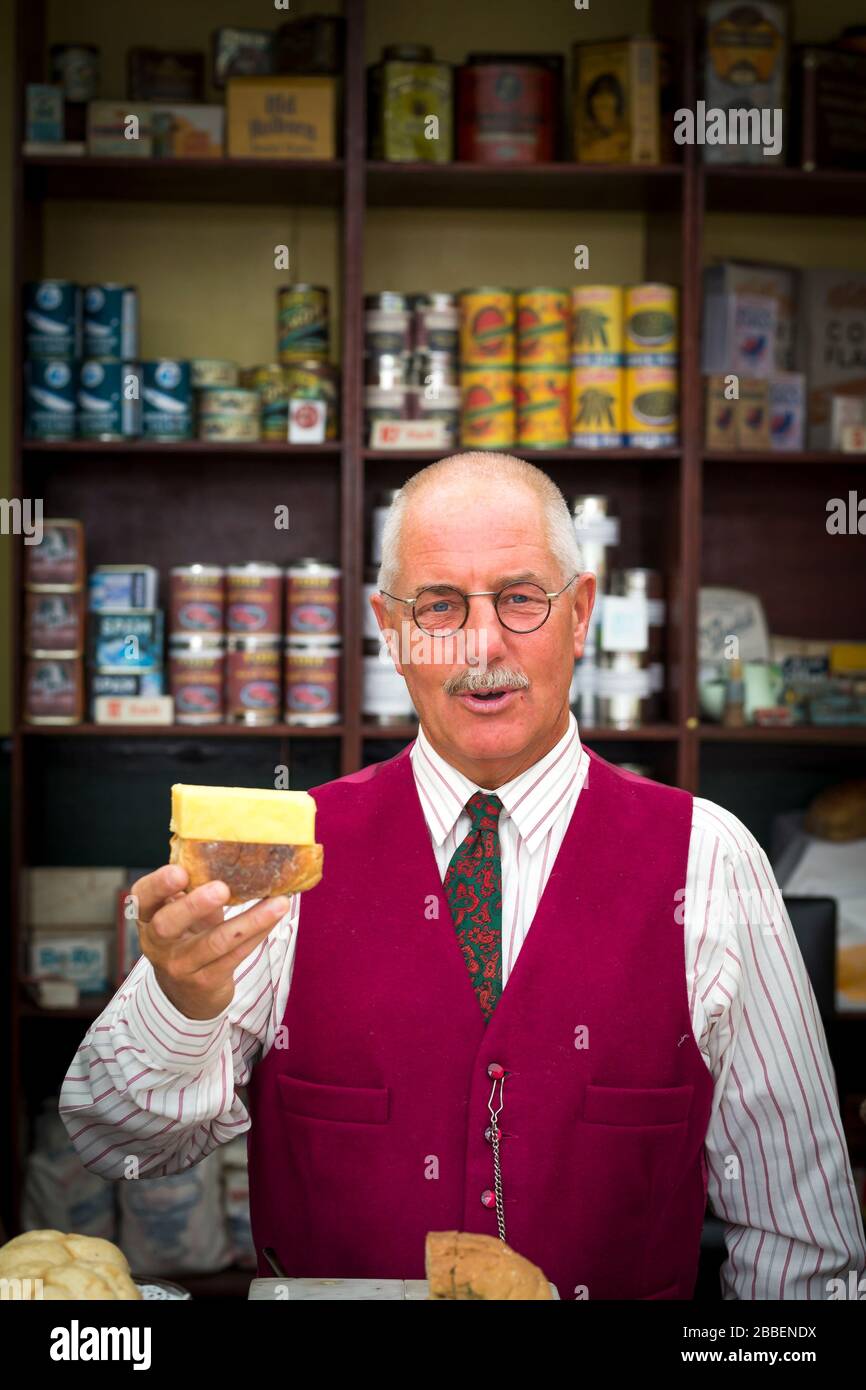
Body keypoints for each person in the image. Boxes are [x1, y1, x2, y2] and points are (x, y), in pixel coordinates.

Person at [61, 452, 866, 1299]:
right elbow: (118, 1141)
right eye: (439, 606)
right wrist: (182, 1003)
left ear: (582, 613)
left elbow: (804, 1250)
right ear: (391, 630)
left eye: (521, 599)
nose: (484, 646)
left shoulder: (709, 860)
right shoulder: (282, 856)